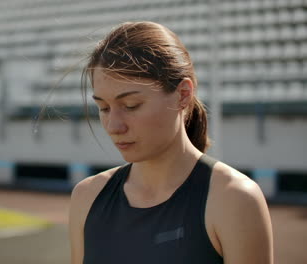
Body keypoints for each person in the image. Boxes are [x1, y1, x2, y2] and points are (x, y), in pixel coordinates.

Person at [69, 21, 273, 264]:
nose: (114, 126)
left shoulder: (234, 199)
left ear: (183, 94)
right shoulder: (87, 197)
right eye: (103, 107)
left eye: (131, 105)